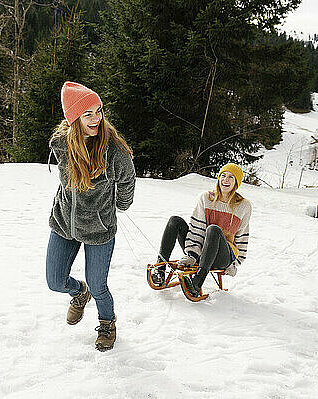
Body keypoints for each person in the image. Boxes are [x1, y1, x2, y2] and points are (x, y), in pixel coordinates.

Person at [46, 81, 136, 351]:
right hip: (64, 223)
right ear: (74, 118)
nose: (96, 118)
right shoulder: (61, 145)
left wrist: (120, 204)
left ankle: (107, 322)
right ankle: (78, 292)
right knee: (55, 281)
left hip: (98, 229)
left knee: (99, 285)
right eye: (88, 114)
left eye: (98, 111)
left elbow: (128, 179)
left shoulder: (113, 150)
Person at [152, 163, 251, 297]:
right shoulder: (206, 198)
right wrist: (192, 255)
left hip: (223, 256)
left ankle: (197, 282)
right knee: (174, 221)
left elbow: (242, 236)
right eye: (223, 176)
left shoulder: (243, 206)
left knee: (213, 230)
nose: (225, 180)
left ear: (237, 182)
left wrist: (235, 263)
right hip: (201, 251)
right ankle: (160, 269)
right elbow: (197, 228)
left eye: (231, 177)